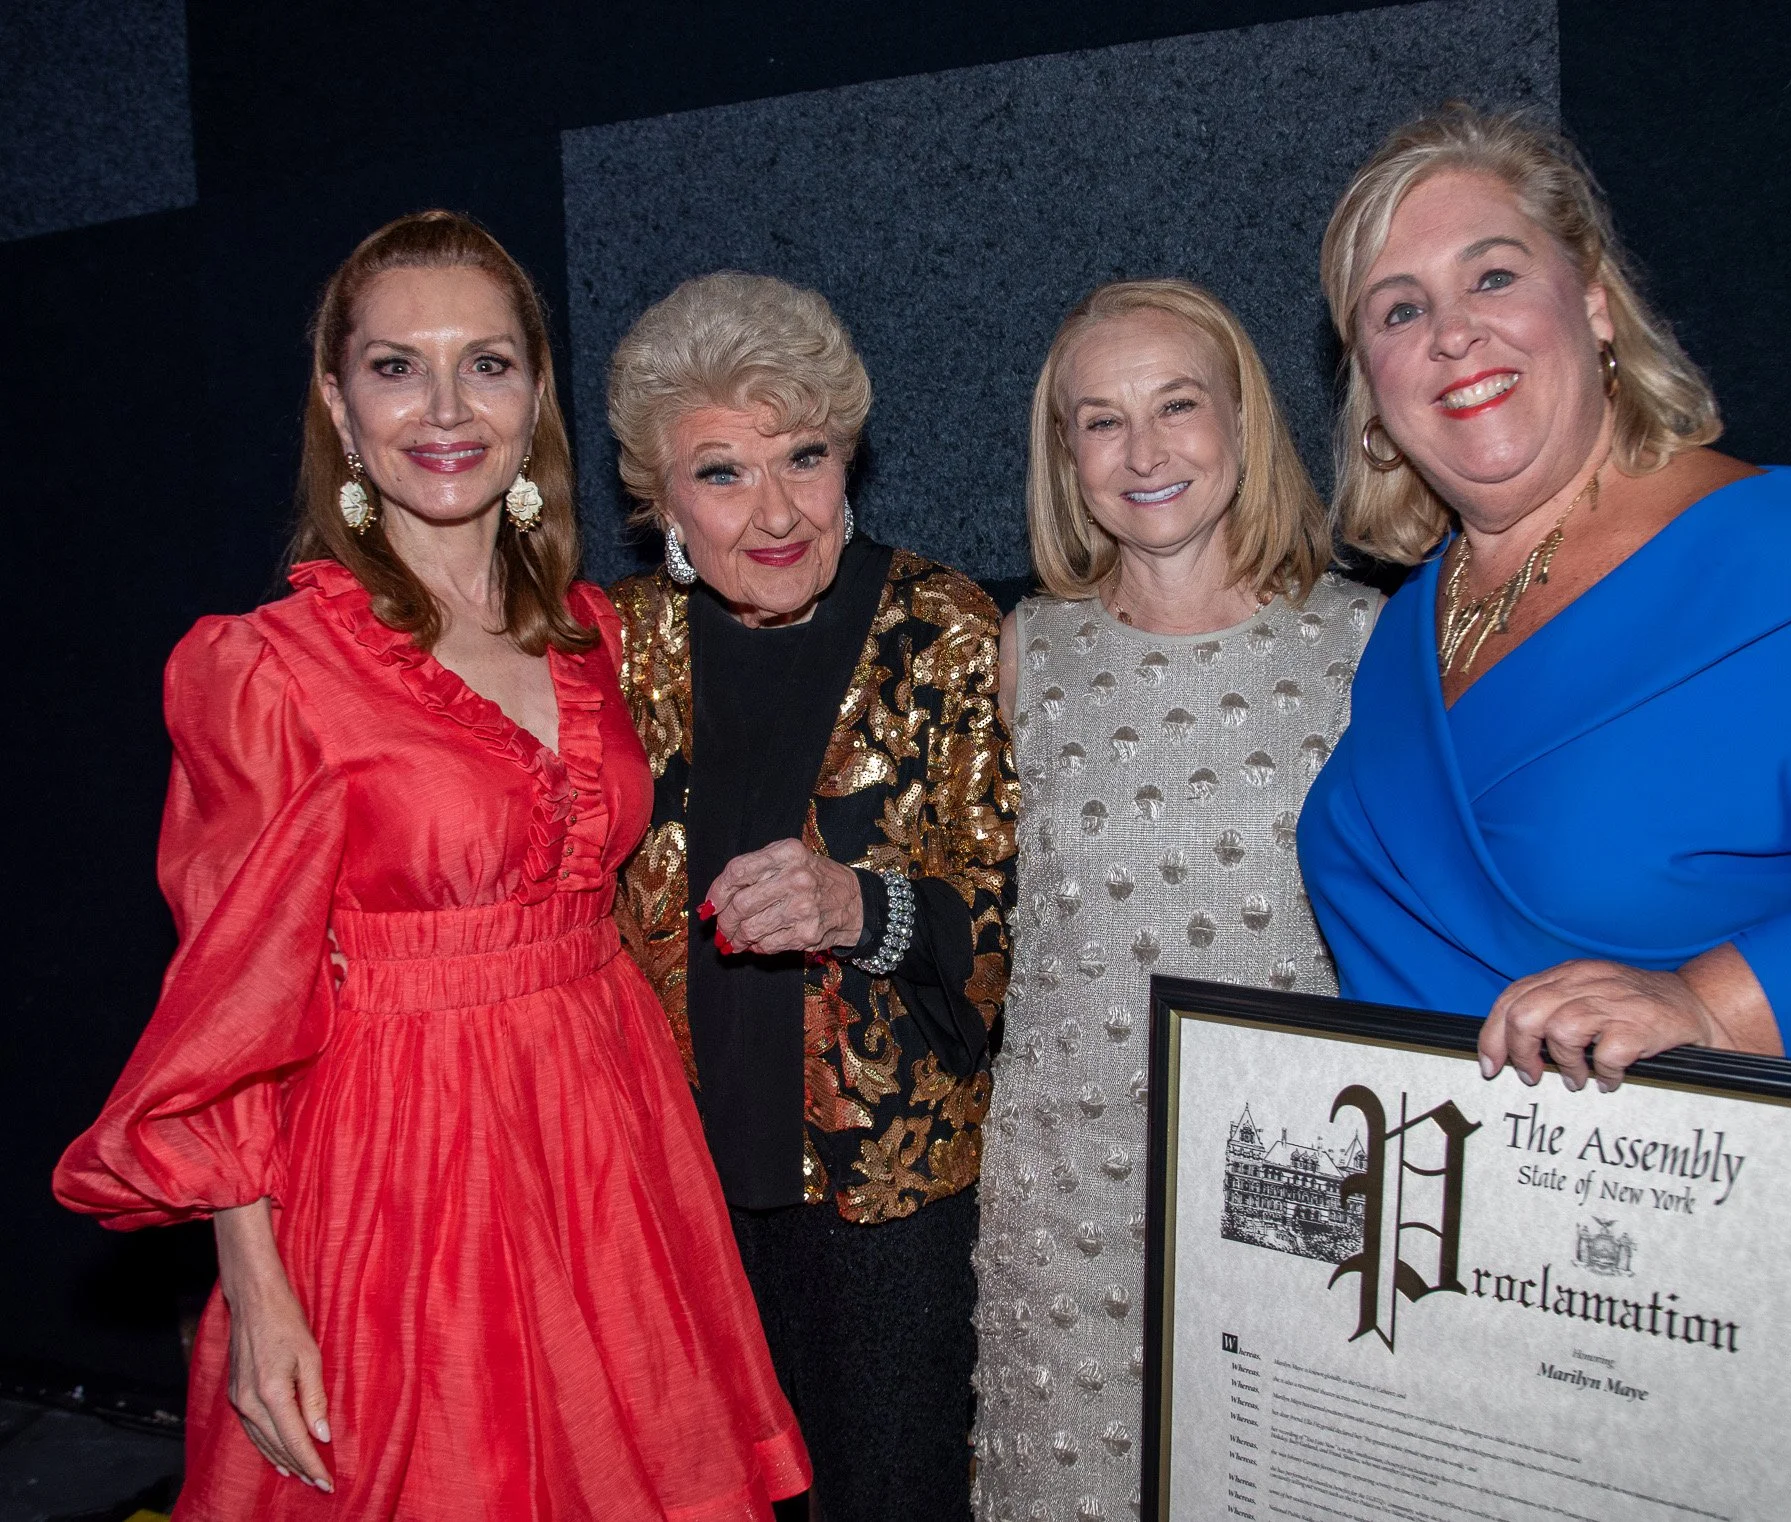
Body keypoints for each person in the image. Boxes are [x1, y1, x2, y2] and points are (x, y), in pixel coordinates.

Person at [1299, 104, 1791, 1520]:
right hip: (1497, 1293)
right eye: (1400, 310)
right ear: (1370, 385)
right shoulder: (1410, 628)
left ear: (1593, 300)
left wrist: (1707, 998)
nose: (1451, 332)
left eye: (1492, 274)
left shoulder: (1787, 563)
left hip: (1767, 1295)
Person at [52, 212, 808, 1520]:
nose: (445, 406)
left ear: (534, 401)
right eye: (398, 366)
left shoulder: (582, 630)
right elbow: (230, 1004)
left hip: (613, 1151)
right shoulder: (270, 669)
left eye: (488, 364)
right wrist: (258, 1287)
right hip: (409, 1166)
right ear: (339, 407)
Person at [604, 271, 1018, 1521]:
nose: (775, 510)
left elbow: (1008, 919)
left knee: (892, 1494)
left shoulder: (942, 624)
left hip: (885, 1198)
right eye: (721, 472)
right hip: (675, 1187)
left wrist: (858, 908)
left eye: (805, 455)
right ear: (659, 501)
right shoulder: (615, 649)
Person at [970, 278, 1383, 1520]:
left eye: (1175, 405)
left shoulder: (1366, 643)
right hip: (1067, 1187)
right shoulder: (1023, 648)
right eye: (1099, 420)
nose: (1141, 452)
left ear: (1243, 422)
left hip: (1297, 1170)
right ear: (1065, 456)